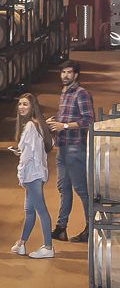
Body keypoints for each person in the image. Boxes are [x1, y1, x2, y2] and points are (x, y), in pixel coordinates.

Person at [46, 60, 94, 243]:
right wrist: (55, 121)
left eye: (69, 72)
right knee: (63, 188)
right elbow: (67, 117)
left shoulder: (81, 93)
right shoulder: (65, 92)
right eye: (63, 72)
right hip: (62, 147)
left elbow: (88, 120)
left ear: (76, 75)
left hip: (75, 147)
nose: (65, 75)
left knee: (81, 189)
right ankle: (61, 228)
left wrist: (64, 126)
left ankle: (91, 228)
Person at [10, 93, 56, 259]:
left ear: (32, 107)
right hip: (37, 173)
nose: (21, 107)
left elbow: (27, 156)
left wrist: (20, 174)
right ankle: (21, 244)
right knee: (29, 210)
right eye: (20, 104)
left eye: (25, 104)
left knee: (41, 210)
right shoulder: (38, 124)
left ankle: (48, 247)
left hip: (32, 174)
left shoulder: (30, 125)